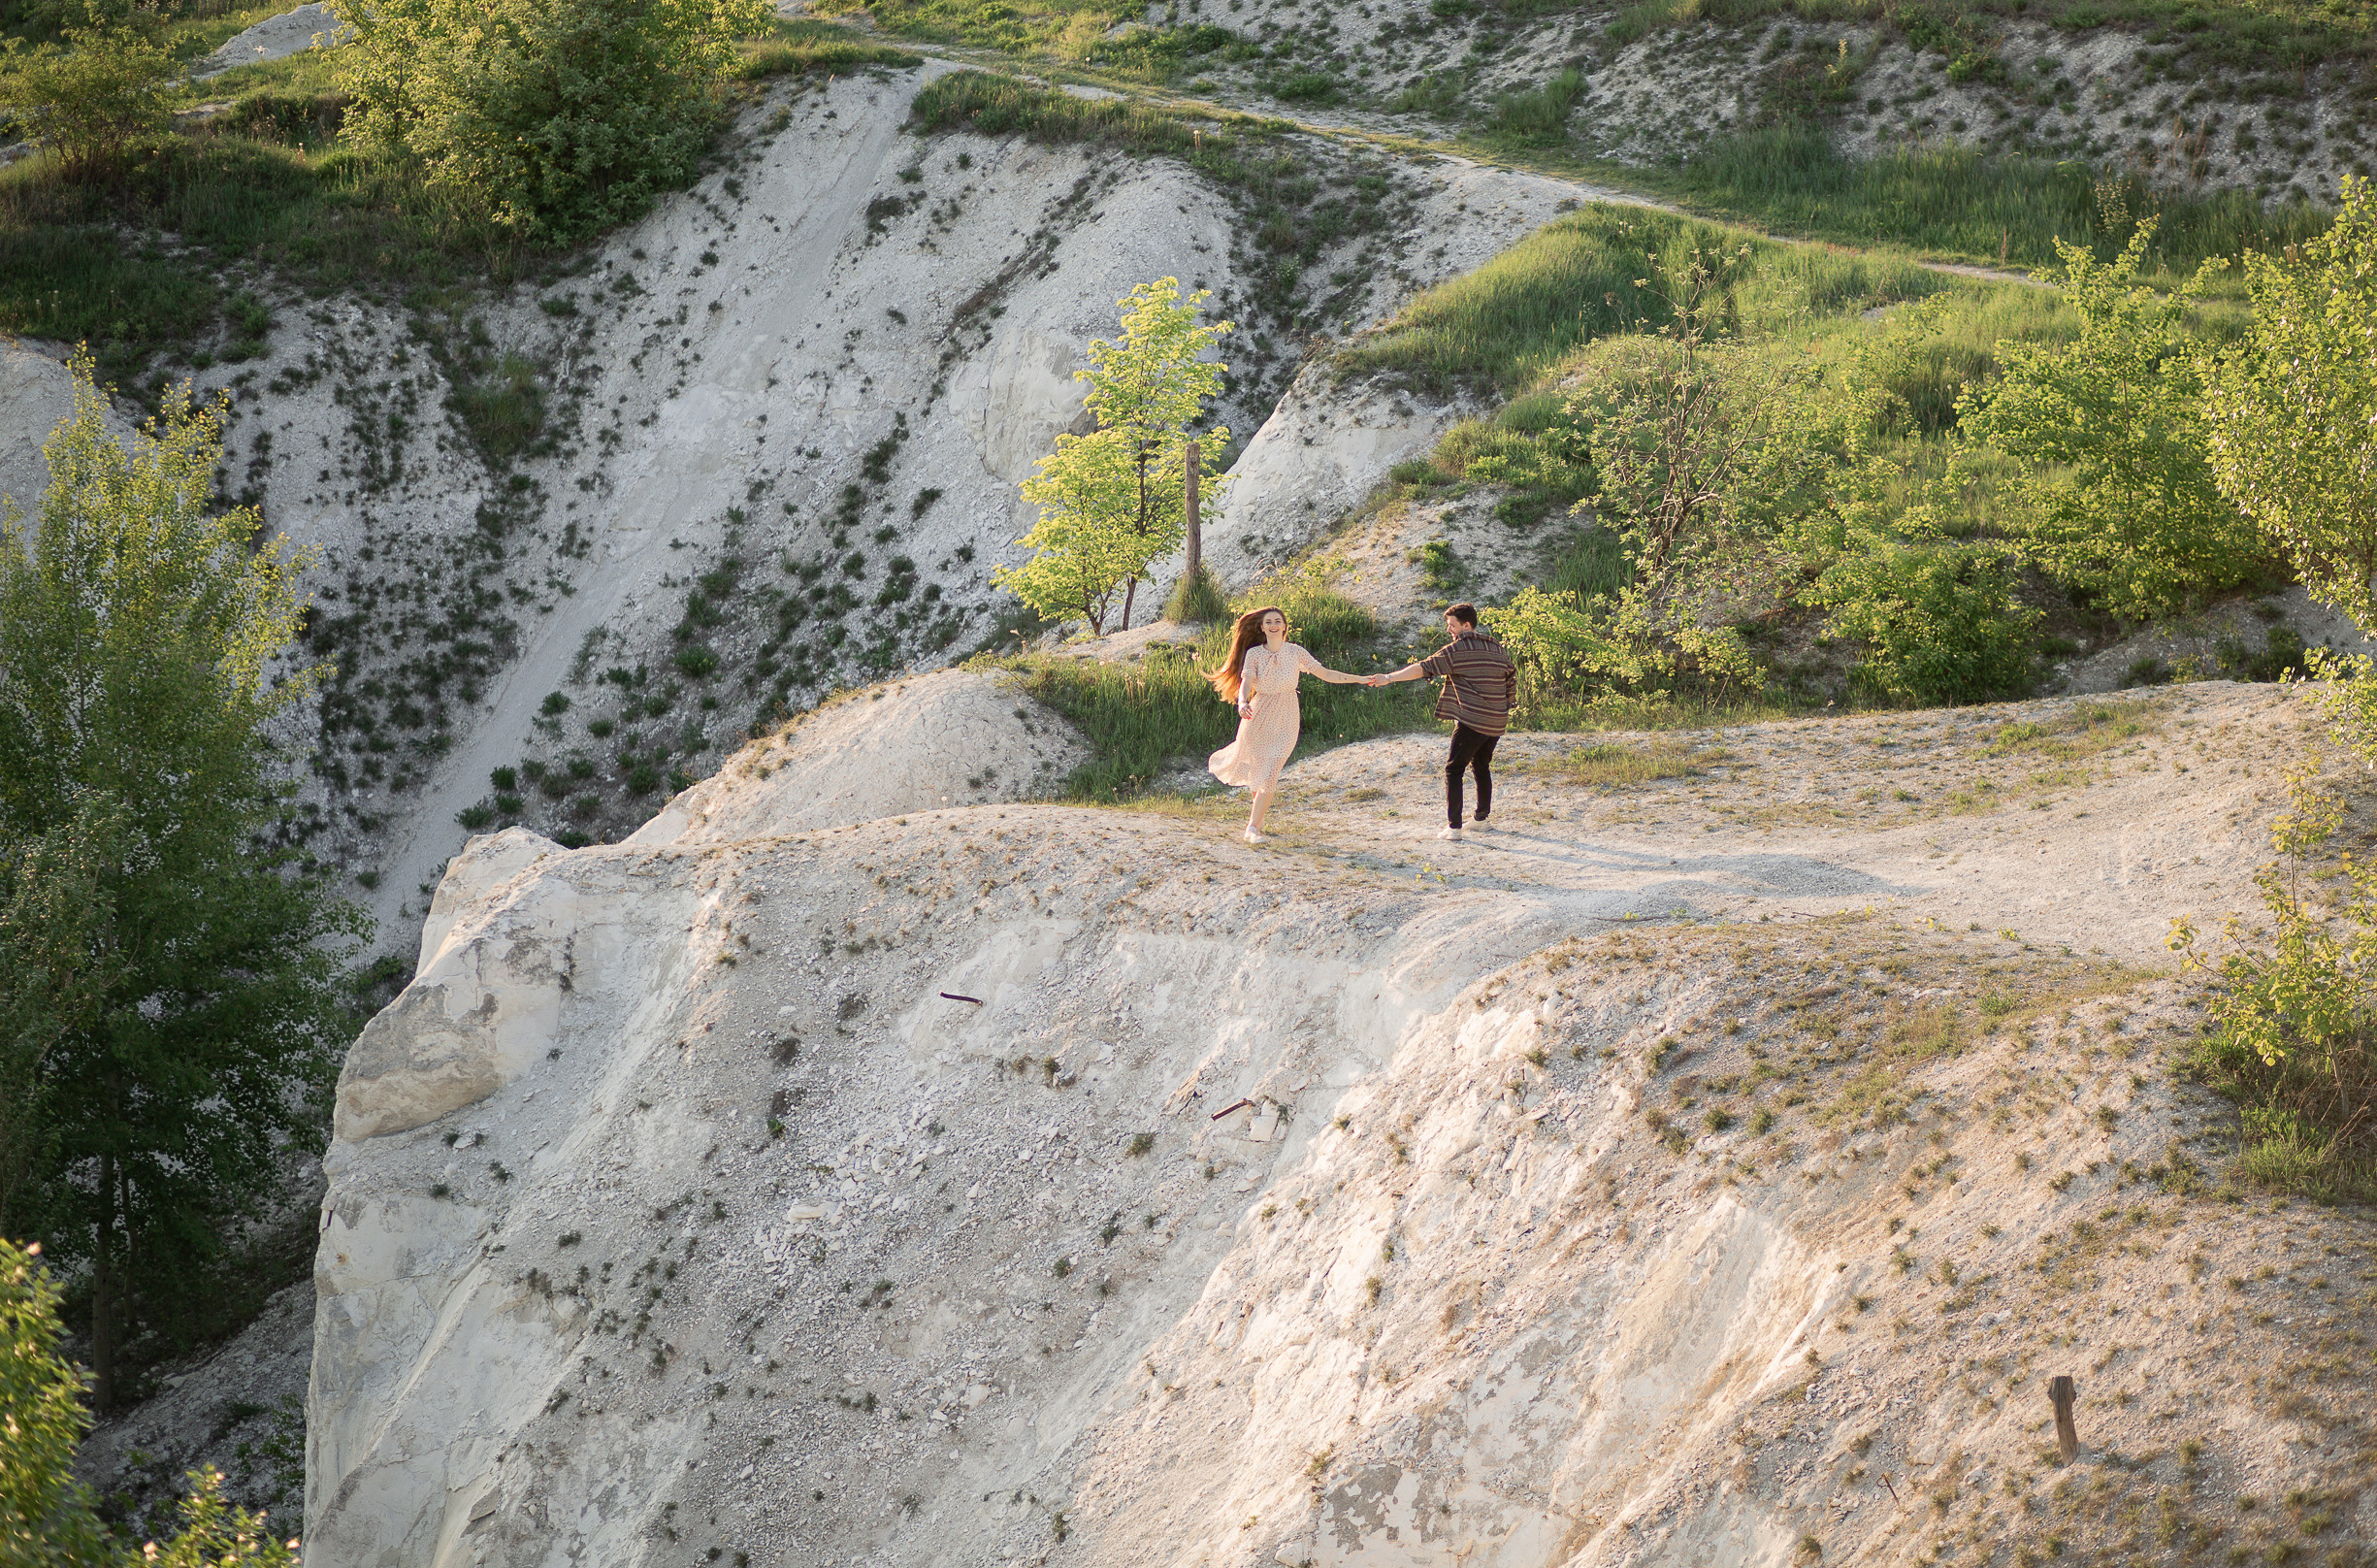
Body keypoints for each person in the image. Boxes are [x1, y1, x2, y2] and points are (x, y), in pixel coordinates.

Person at [1207, 605, 1368, 844]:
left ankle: (1251, 827)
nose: (1273, 625)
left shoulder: (1296, 652)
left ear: (1284, 626)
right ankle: (1257, 820)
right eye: (1268, 622)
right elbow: (1246, 681)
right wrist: (1241, 702)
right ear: (1262, 627)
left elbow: (1325, 673)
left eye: (1277, 621)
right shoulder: (1254, 654)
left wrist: (1358, 679)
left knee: (1271, 770)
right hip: (1258, 713)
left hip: (1287, 714)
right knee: (1258, 769)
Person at [1367, 603, 1515, 841]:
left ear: (1466, 625)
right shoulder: (1495, 647)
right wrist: (1506, 704)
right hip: (1496, 721)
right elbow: (1511, 675)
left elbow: (1423, 668)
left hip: (1473, 720)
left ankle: (1454, 827)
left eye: (1452, 626)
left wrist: (1389, 678)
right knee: (1481, 765)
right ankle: (1481, 819)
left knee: (1454, 769)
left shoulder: (1458, 650)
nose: (1449, 631)